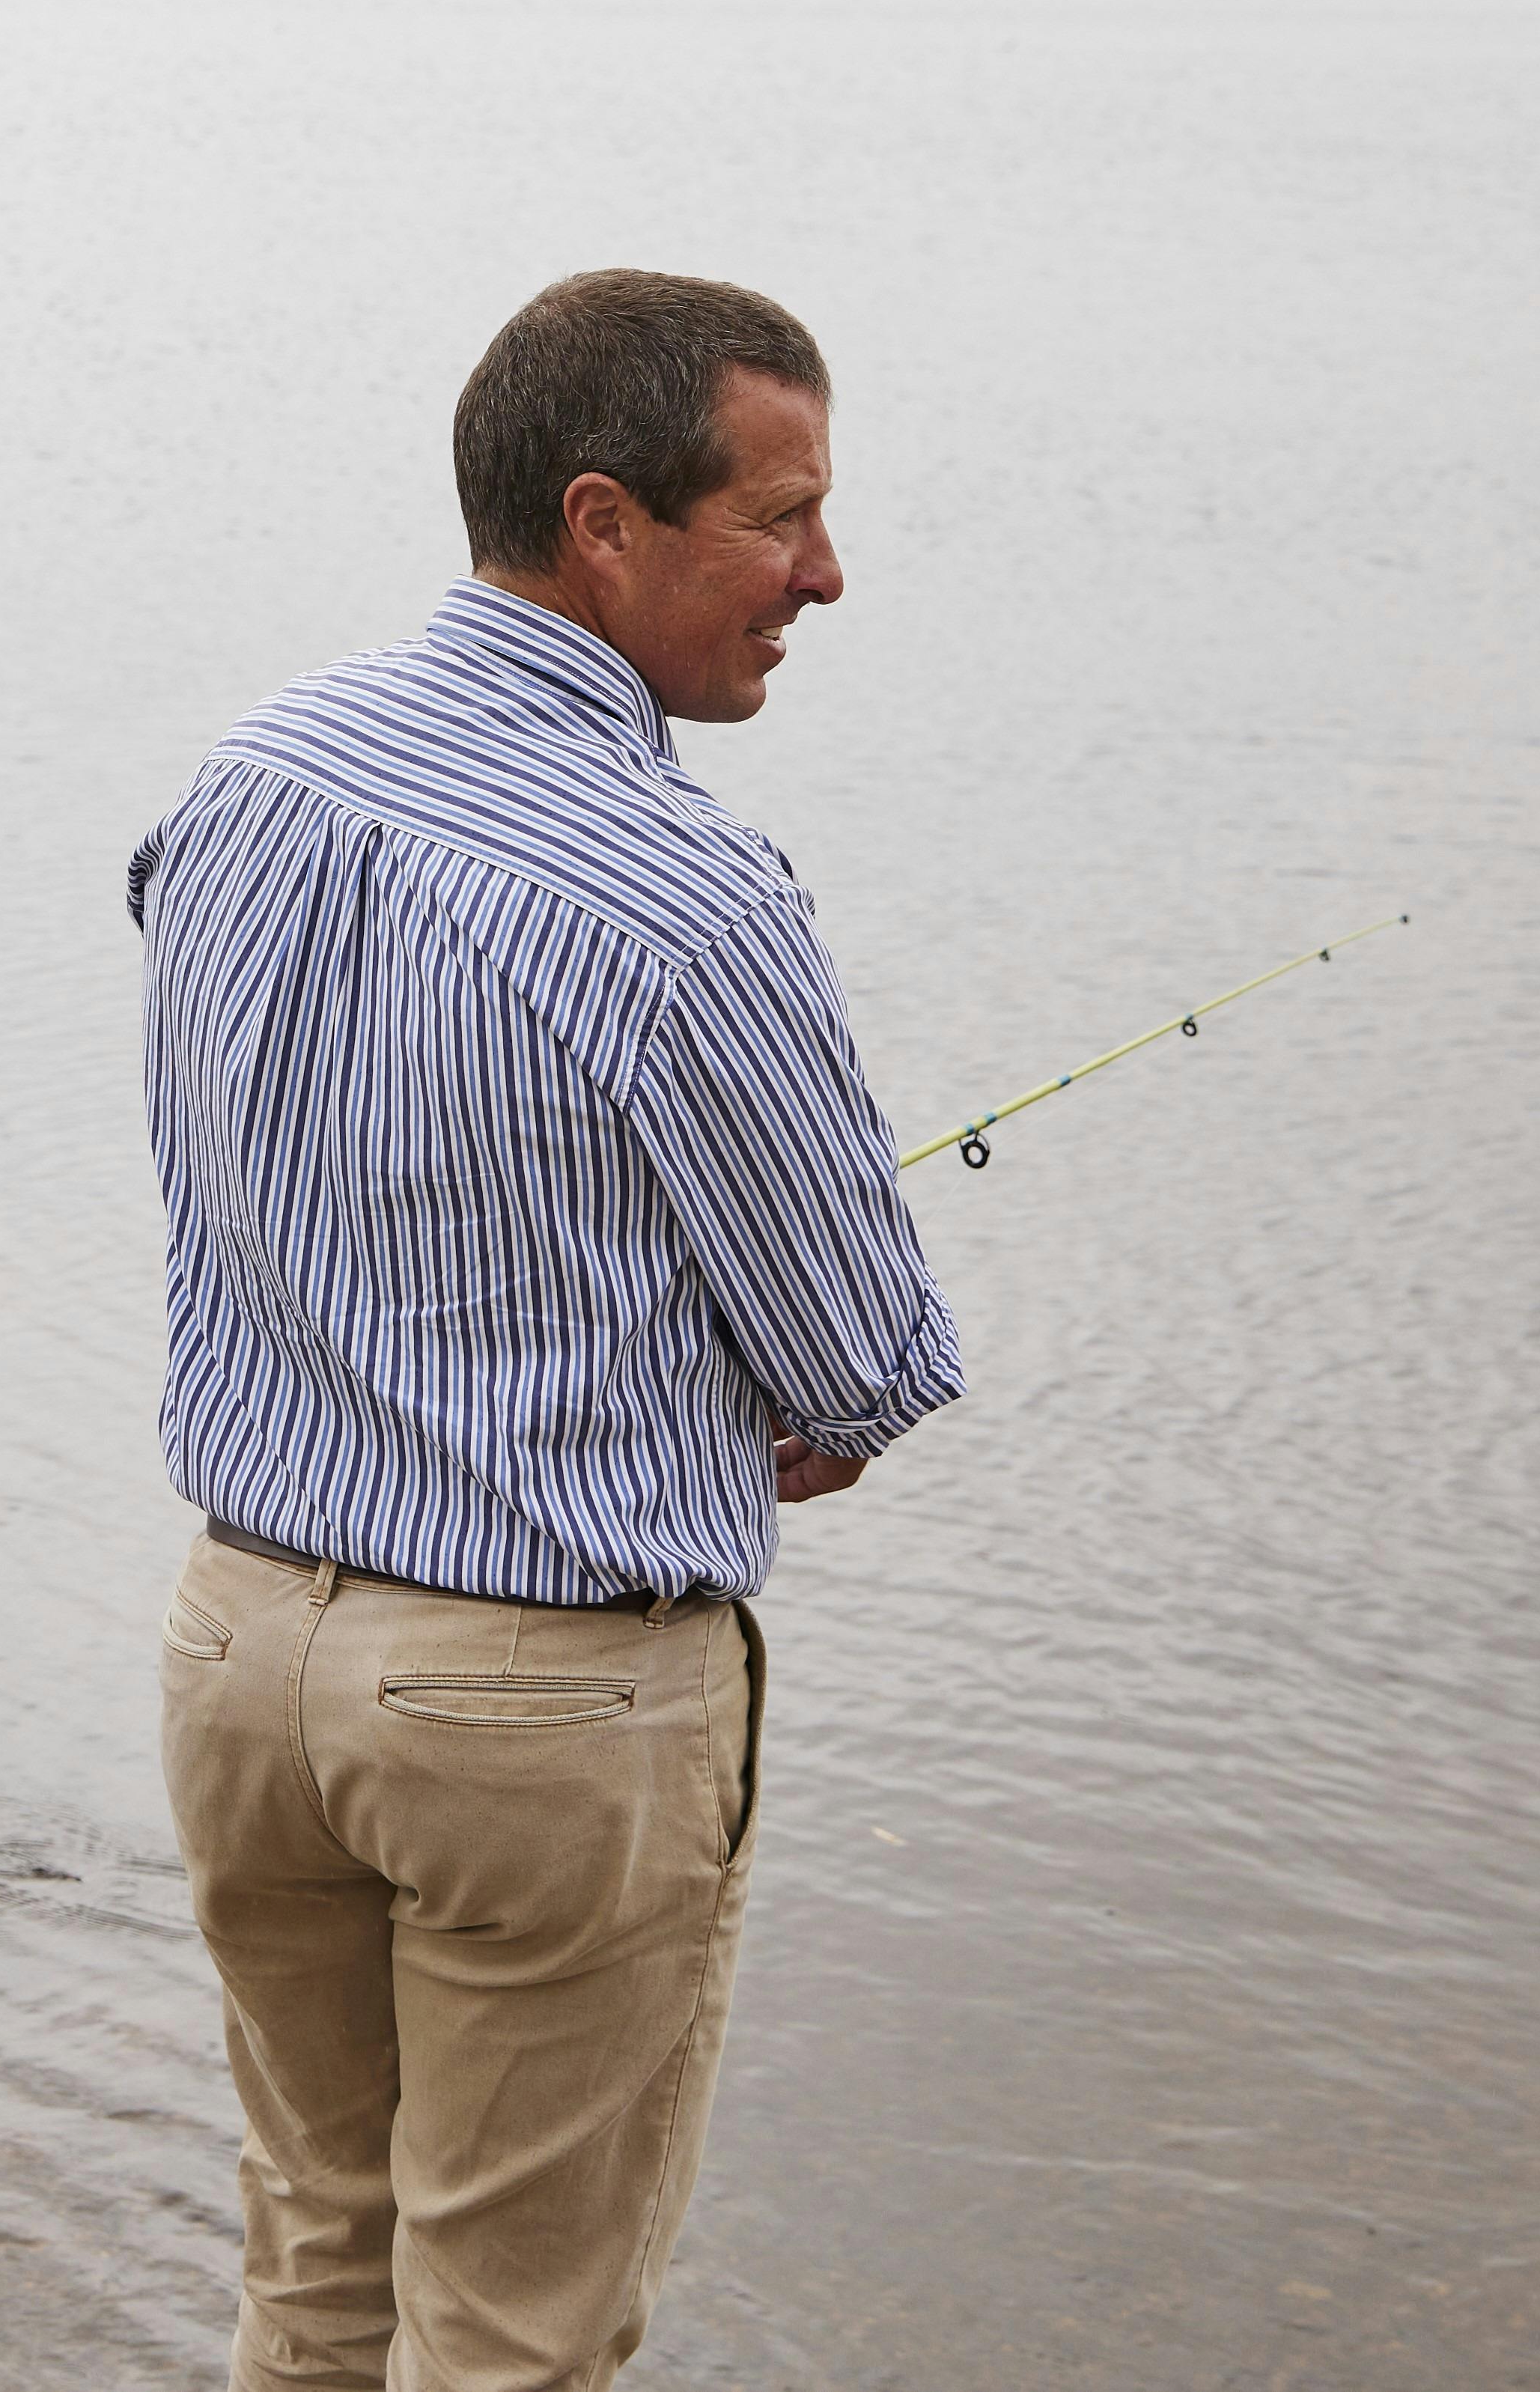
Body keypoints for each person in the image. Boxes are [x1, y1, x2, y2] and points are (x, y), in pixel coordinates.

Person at [132, 267, 965, 2392]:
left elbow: (299, 1147)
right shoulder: (691, 897)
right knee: (512, 2340)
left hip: (241, 1660)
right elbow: (861, 1368)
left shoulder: (241, 780)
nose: (826, 572)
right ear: (606, 524)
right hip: (534, 1704)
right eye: (778, 518)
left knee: (317, 2268)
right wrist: (774, 1391)